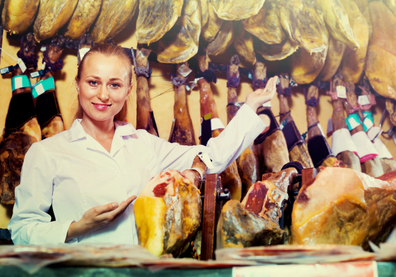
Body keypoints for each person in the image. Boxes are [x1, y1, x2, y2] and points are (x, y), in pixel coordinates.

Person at [8, 44, 278, 245]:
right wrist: (77, 227)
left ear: (127, 91)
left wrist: (251, 107)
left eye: (114, 85)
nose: (103, 94)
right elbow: (21, 231)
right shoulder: (47, 152)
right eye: (93, 82)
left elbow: (211, 157)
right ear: (78, 85)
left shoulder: (143, 143)